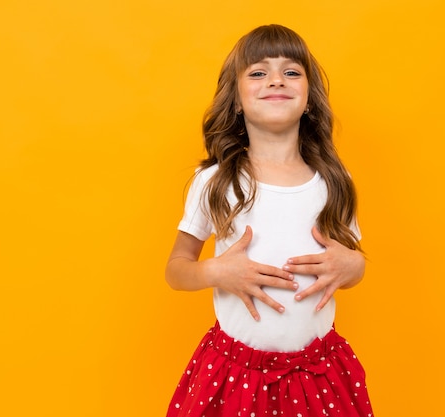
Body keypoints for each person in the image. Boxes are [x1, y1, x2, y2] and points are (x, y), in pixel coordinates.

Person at [165, 24, 374, 417]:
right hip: (233, 372)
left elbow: (352, 263)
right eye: (258, 72)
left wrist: (354, 265)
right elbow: (176, 270)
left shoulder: (334, 181)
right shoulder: (214, 181)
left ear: (309, 99)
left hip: (317, 373)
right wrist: (216, 271)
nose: (276, 80)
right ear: (237, 100)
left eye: (291, 72)